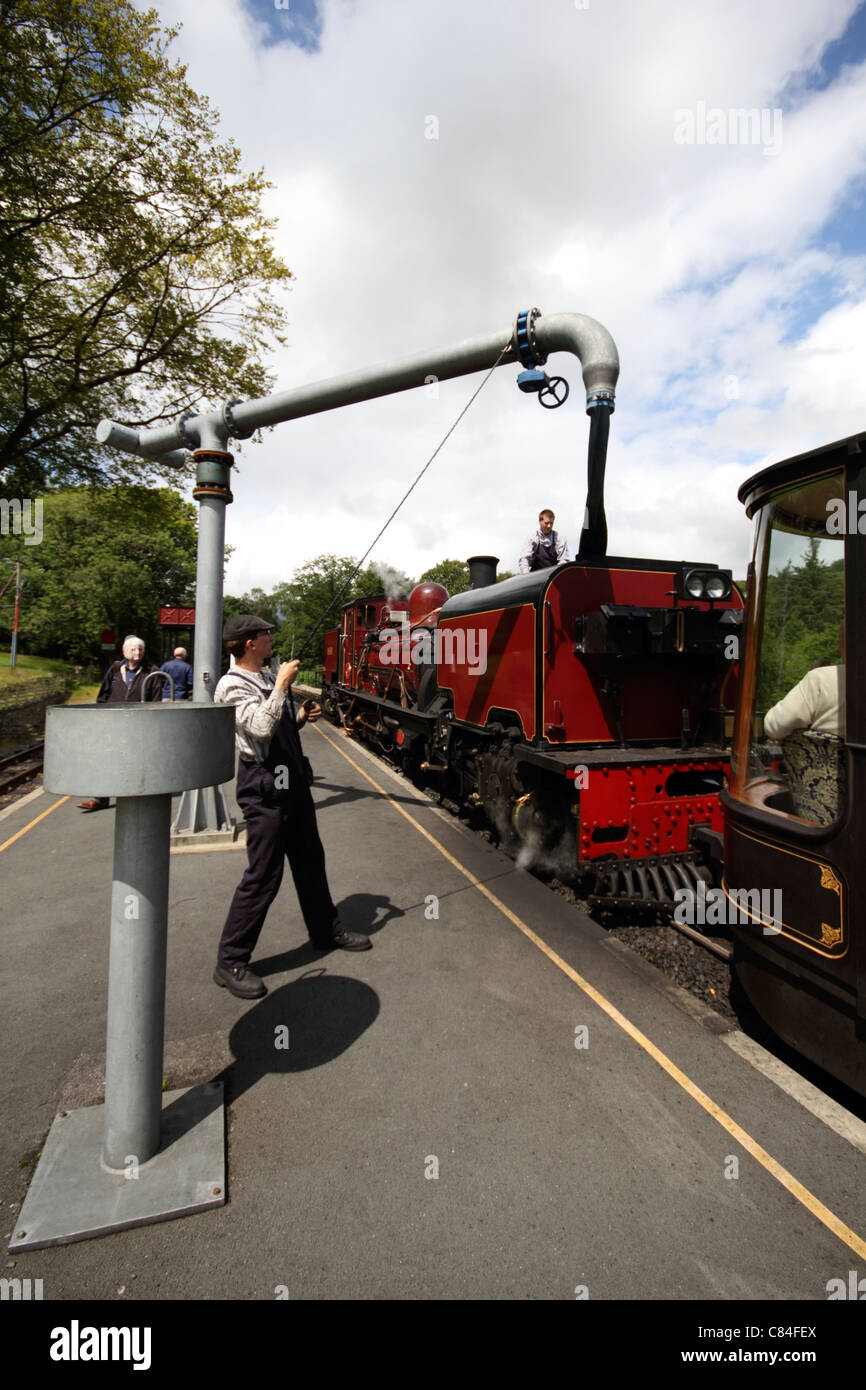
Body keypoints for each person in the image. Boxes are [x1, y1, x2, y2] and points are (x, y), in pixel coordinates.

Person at [213, 613, 371, 1001]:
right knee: (263, 876)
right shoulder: (232, 686)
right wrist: (283, 685)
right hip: (264, 789)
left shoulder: (265, 678)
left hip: (292, 781)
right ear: (250, 643)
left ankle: (325, 930)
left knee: (310, 861)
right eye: (266, 634)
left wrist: (299, 717)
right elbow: (260, 729)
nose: (271, 638)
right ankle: (230, 960)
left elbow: (279, 725)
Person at [77, 635, 161, 812]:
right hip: (112, 723)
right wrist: (100, 716)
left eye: (140, 649)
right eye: (133, 649)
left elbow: (157, 700)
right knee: (107, 759)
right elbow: (104, 694)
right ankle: (100, 798)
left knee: (136, 760)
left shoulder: (151, 671)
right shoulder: (115, 669)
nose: (137, 652)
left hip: (139, 724)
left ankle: (136, 795)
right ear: (125, 651)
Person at [763, 621, 845, 740]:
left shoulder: (820, 679)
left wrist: (812, 677)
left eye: (840, 640)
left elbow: (775, 726)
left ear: (843, 644)